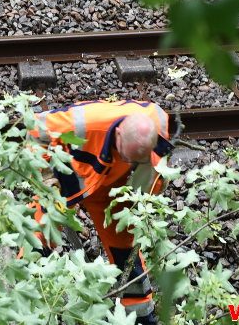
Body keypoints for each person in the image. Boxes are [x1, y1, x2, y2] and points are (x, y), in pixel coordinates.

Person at [28, 99, 174, 324]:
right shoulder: (83, 124)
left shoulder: (156, 122)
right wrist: (47, 173)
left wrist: (156, 181)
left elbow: (161, 146)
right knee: (36, 240)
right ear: (117, 135)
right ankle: (17, 299)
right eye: (126, 156)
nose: (130, 160)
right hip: (68, 184)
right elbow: (34, 128)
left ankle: (141, 316)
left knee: (126, 254)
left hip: (114, 191)